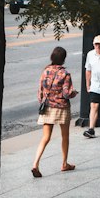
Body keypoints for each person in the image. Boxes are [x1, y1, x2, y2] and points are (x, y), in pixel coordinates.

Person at [31, 45, 77, 177]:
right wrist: (74, 93)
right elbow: (67, 93)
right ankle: (64, 163)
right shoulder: (65, 73)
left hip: (47, 107)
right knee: (65, 136)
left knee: (45, 137)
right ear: (63, 59)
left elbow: (40, 92)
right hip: (62, 108)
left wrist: (44, 102)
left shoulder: (45, 71)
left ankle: (35, 163)